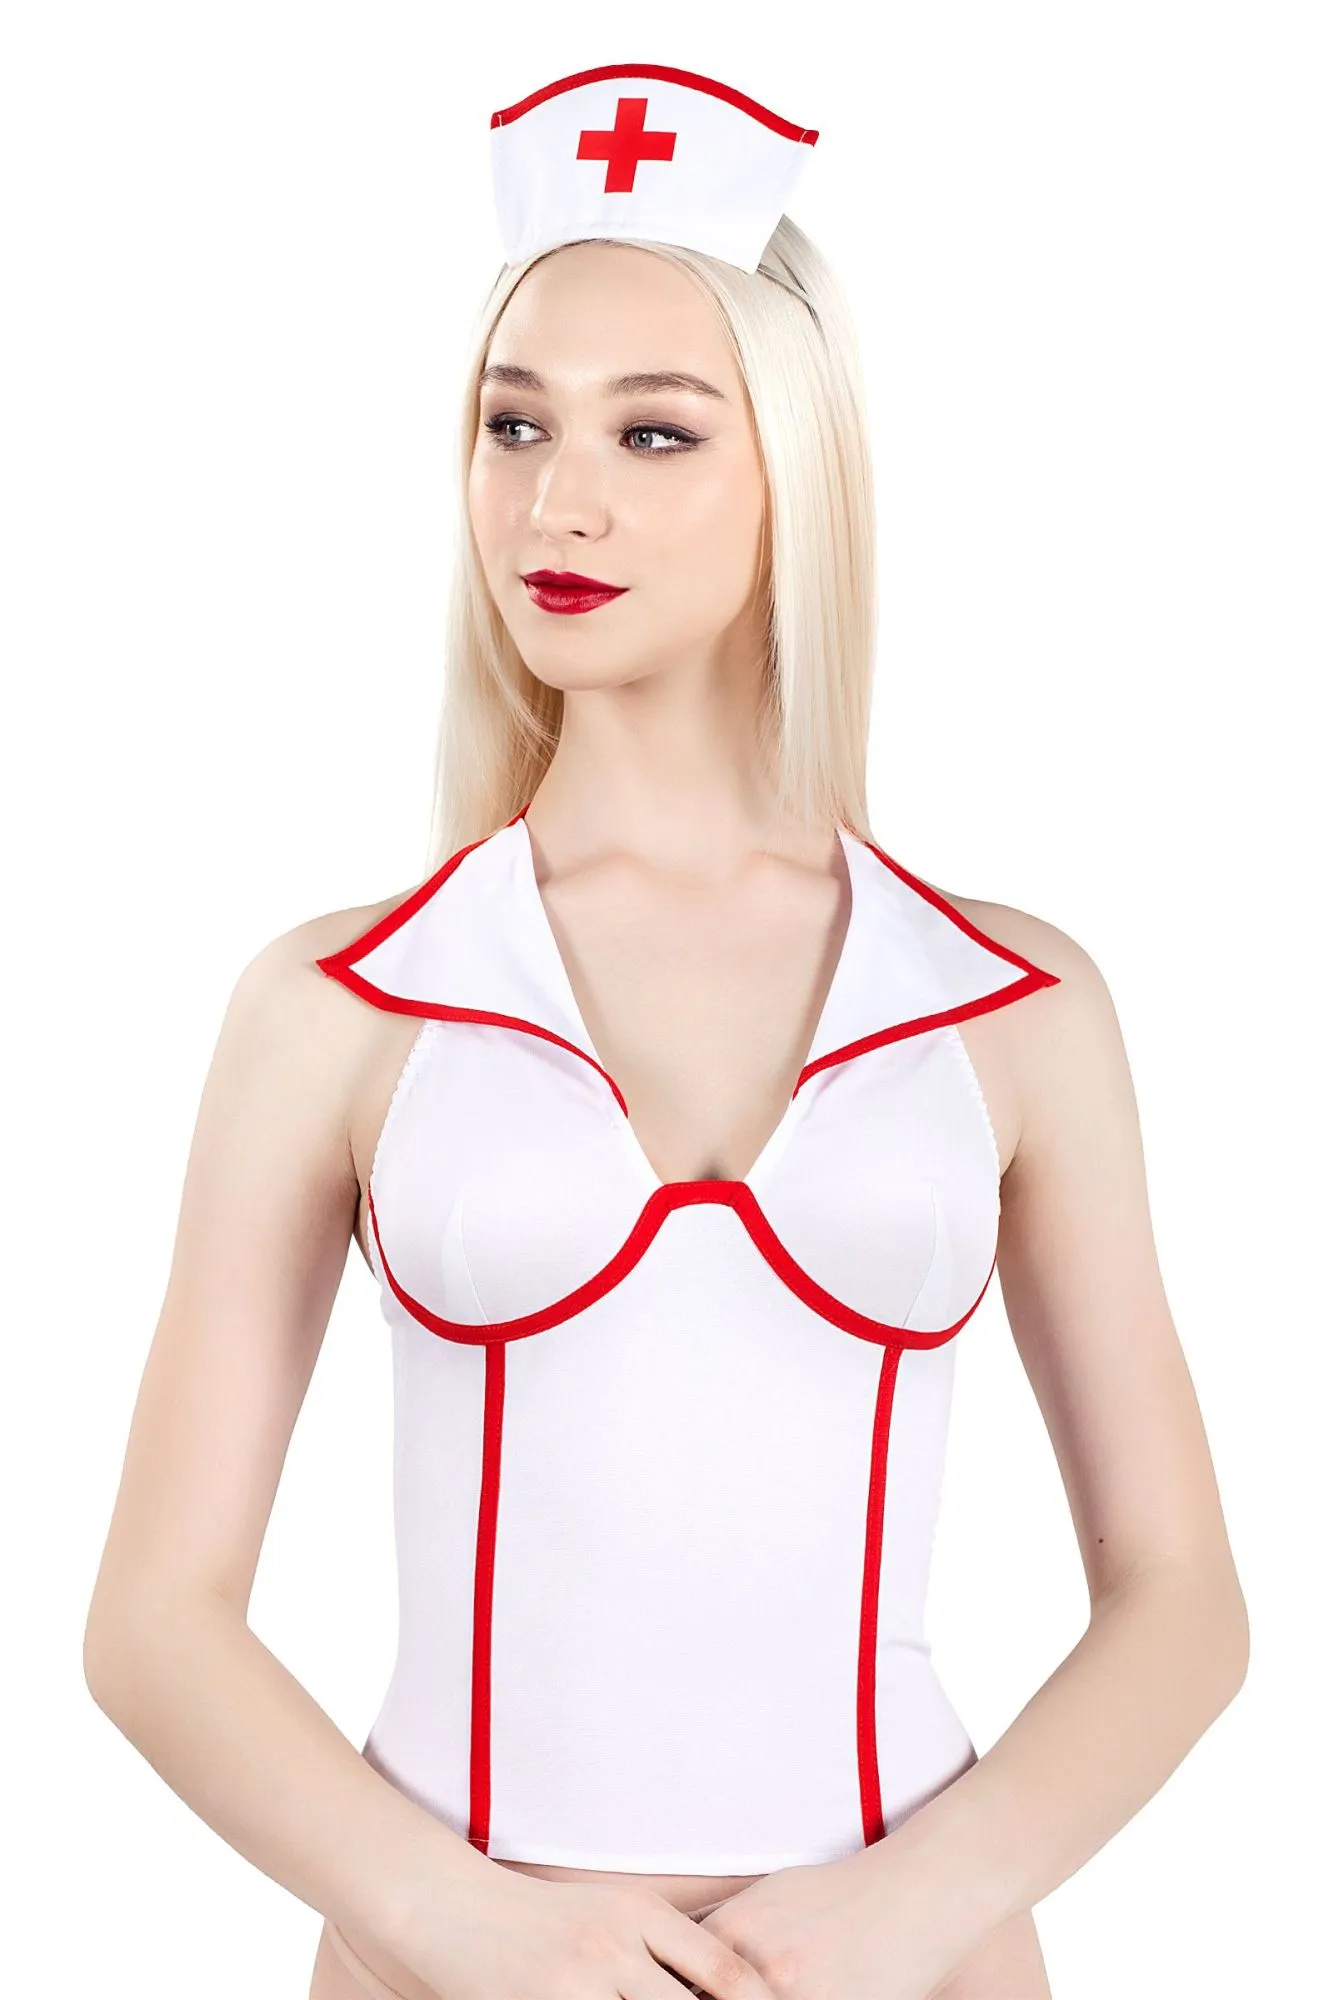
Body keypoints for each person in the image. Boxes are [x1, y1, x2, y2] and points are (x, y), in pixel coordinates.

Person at [83, 62, 1248, 2000]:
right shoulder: (338, 1007)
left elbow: (1184, 1598)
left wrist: (908, 1909)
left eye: (654, 430)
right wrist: (461, 1920)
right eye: (513, 422)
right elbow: (154, 1620)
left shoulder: (1015, 1006)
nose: (561, 497)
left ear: (799, 465)